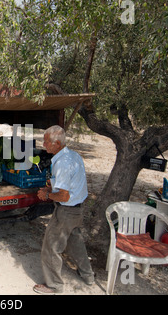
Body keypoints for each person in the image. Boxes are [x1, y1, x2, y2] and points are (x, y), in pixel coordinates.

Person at [33, 125, 94, 295]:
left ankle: (54, 286)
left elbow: (64, 196)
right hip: (78, 210)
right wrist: (51, 187)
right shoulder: (73, 155)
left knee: (51, 247)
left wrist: (47, 194)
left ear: (57, 143)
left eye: (46, 142)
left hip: (66, 211)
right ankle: (88, 275)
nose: (44, 145)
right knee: (76, 242)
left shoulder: (62, 163)